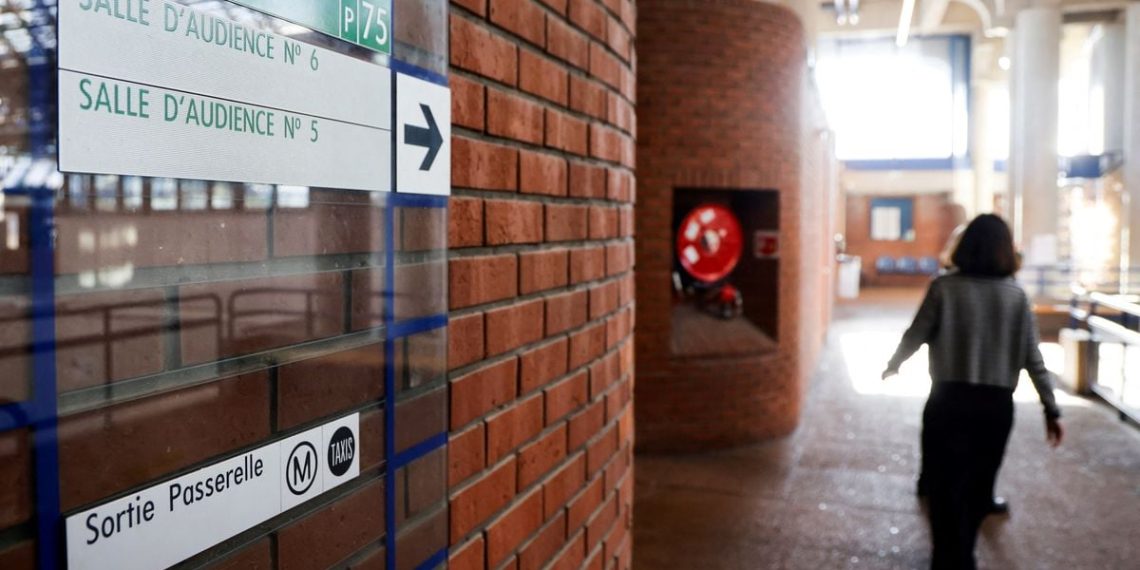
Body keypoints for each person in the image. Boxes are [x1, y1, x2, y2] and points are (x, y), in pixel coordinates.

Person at [881, 214, 1064, 570]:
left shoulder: (943, 287)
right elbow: (1034, 359)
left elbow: (916, 333)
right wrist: (1051, 409)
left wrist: (894, 363)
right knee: (978, 488)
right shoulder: (1016, 296)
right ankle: (964, 554)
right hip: (994, 409)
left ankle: (946, 557)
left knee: (943, 485)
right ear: (1004, 251)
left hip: (947, 402)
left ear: (963, 246)